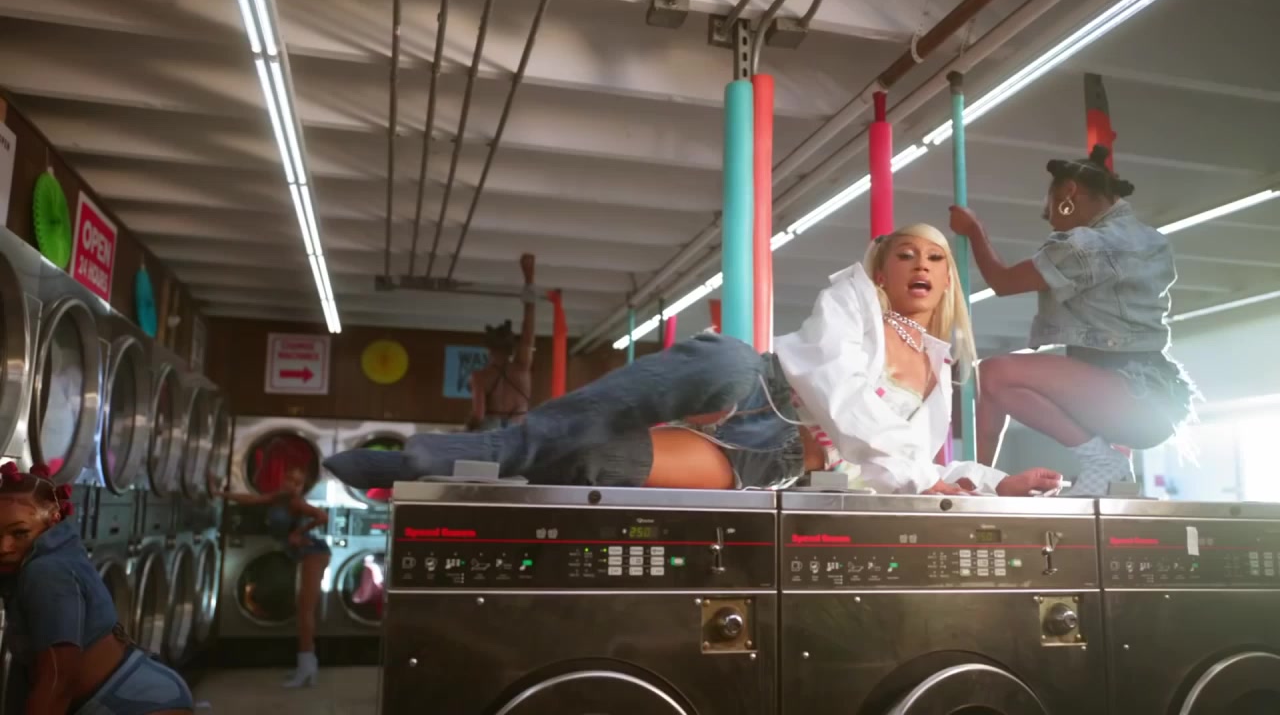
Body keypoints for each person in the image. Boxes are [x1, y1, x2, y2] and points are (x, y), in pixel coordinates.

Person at [326, 224, 1060, 496]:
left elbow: (924, 466)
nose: (922, 265)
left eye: (936, 258)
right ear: (882, 268)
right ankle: (441, 459)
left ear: (949, 281)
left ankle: (472, 484)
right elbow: (837, 391)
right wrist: (916, 478)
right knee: (704, 373)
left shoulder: (940, 371)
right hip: (752, 386)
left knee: (596, 465)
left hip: (774, 457)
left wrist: (996, 483)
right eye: (906, 254)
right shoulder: (851, 300)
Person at [949, 144, 1197, 496]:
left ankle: (1101, 462)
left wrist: (974, 231)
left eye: (1049, 209)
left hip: (1129, 391)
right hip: (1150, 396)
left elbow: (1003, 282)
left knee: (992, 371)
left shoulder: (1086, 245)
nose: (1050, 220)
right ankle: (978, 482)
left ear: (1069, 192)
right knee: (996, 387)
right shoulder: (1151, 240)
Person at [0, 461, 194, 714]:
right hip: (138, 691)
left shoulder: (46, 573)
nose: (4, 547)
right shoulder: (62, 551)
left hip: (134, 704)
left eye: (20, 533)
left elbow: (59, 679)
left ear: (52, 520)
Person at [219, 466, 329, 688]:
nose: (292, 485)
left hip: (314, 552)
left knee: (305, 611)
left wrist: (298, 532)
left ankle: (307, 667)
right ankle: (307, 666)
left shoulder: (295, 502)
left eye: (297, 483)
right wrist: (221, 494)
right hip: (303, 553)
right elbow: (251, 500)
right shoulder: (278, 498)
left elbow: (322, 516)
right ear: (282, 479)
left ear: (302, 488)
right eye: (289, 479)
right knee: (303, 610)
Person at [467, 253, 538, 431]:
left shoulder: (480, 376)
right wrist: (529, 278)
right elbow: (528, 331)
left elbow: (479, 414)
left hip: (492, 430)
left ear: (489, 349)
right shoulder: (522, 367)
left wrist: (468, 429)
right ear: (511, 348)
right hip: (518, 428)